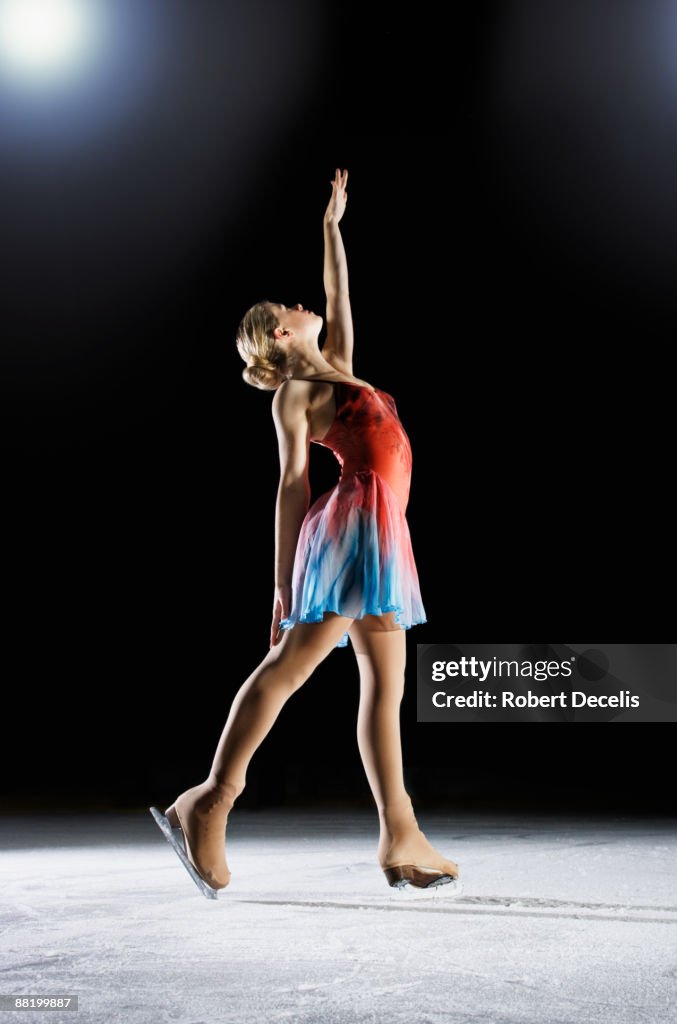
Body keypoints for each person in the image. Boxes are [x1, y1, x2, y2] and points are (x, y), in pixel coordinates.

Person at [150, 169, 460, 898]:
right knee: (291, 667)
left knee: (384, 688)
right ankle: (210, 800)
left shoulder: (340, 369)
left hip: (384, 536)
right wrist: (284, 581)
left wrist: (331, 227)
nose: (304, 304)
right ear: (280, 334)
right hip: (352, 530)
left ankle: (400, 834)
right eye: (290, 308)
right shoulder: (296, 393)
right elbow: (292, 484)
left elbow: (338, 298)